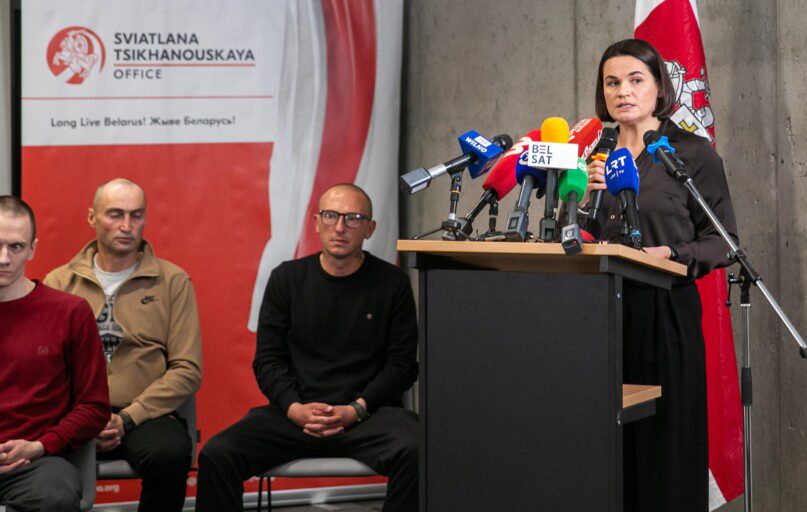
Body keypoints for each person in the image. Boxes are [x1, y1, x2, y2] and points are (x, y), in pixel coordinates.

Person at [582, 39, 738, 512]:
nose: (622, 92)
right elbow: (582, 234)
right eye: (612, 82)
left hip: (663, 313)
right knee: (605, 456)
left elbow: (723, 242)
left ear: (659, 87)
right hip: (596, 315)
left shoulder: (690, 153)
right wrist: (583, 202)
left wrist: (670, 253)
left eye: (635, 80)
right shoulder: (594, 151)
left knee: (664, 453)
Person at [196, 183, 418, 512]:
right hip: (296, 415)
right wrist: (294, 408)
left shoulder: (392, 283)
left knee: (419, 450)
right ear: (316, 222)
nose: (339, 227)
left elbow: (402, 365)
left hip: (366, 415)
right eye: (330, 216)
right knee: (217, 454)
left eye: (353, 218)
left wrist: (356, 409)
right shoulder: (286, 279)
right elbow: (268, 360)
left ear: (370, 229)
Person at [44, 179, 202, 512]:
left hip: (144, 415)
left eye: (136, 215)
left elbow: (187, 369)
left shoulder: (173, 282)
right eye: (115, 214)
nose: (127, 226)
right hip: (74, 414)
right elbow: (45, 368)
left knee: (170, 453)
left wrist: (128, 418)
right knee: (43, 468)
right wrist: (82, 419)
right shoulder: (59, 282)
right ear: (92, 217)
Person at [0, 195, 110, 512]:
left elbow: (94, 406)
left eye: (16, 247)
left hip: (37, 463)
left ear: (32, 249)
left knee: (55, 495)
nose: (4, 258)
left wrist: (41, 445)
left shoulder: (69, 313)